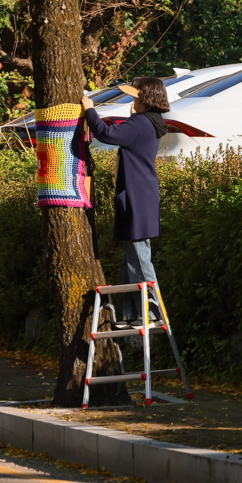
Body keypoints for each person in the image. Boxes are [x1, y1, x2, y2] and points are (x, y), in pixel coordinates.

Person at [81, 77, 170, 325]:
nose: (133, 101)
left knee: (140, 255)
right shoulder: (149, 122)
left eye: (135, 97)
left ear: (145, 99)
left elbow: (106, 133)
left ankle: (152, 312)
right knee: (132, 256)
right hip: (139, 193)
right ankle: (133, 314)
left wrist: (89, 109)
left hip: (138, 195)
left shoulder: (141, 123)